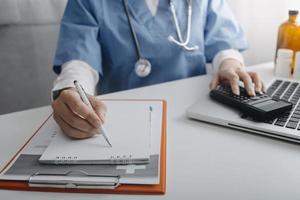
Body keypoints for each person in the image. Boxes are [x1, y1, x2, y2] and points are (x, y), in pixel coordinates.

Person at [52, 0, 264, 139]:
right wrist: (72, 91)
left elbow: (223, 40)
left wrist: (230, 64)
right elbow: (79, 57)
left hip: (195, 115)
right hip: (125, 121)